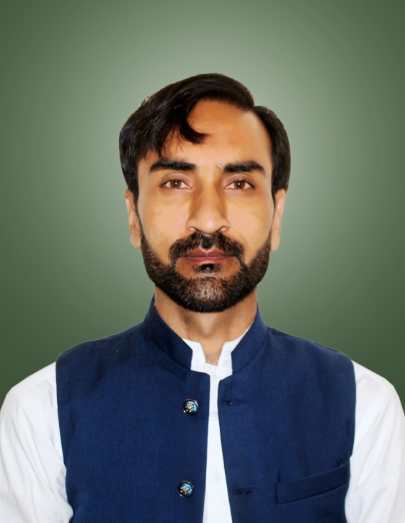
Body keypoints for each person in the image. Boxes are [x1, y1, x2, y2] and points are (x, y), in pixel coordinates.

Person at [0, 73, 404, 523]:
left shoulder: (366, 404)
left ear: (277, 214)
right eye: (176, 182)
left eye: (239, 184)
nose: (208, 220)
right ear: (133, 215)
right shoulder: (41, 409)